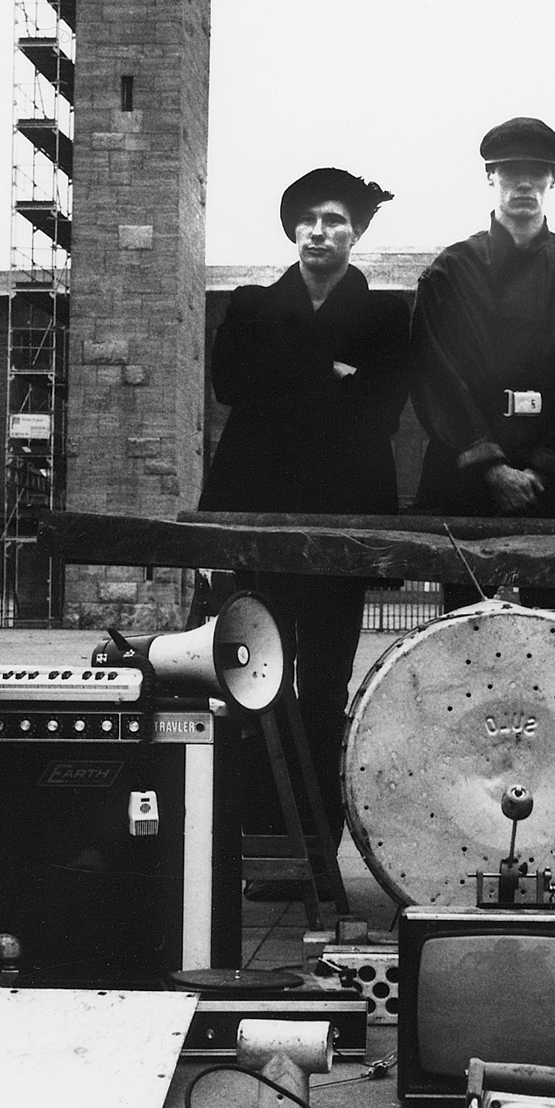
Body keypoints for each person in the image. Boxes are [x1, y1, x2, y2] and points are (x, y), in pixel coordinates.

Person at [200, 166, 414, 822]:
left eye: (335, 221)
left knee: (324, 684)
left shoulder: (383, 313)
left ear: (356, 234)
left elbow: (381, 408)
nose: (319, 231)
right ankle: (265, 831)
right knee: (260, 678)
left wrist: (287, 379)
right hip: (260, 514)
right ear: (294, 228)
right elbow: (232, 384)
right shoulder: (250, 304)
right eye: (309, 220)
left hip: (341, 521)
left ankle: (319, 831)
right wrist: (330, 372)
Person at [407, 117, 555, 610]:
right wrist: (488, 465)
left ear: (554, 179)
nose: (525, 182)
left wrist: (547, 467)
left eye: (538, 170)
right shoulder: (450, 271)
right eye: (511, 171)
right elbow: (433, 374)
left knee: (554, 632)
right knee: (465, 630)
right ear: (491, 177)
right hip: (467, 486)